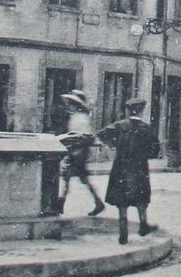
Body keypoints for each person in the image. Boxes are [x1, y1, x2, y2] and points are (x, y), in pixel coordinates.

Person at [98, 97, 159, 244]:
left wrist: (114, 145)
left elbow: (101, 134)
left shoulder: (119, 126)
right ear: (141, 111)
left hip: (121, 166)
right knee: (141, 197)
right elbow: (155, 151)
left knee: (122, 200)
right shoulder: (147, 128)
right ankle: (143, 225)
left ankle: (123, 233)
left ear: (128, 111)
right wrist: (145, 154)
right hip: (139, 167)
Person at [56, 89, 106, 217]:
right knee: (77, 178)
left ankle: (60, 203)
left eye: (72, 103)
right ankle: (97, 202)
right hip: (75, 151)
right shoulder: (75, 116)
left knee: (71, 177)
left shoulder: (82, 118)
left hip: (79, 152)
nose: (69, 106)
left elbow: (84, 136)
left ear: (77, 105)